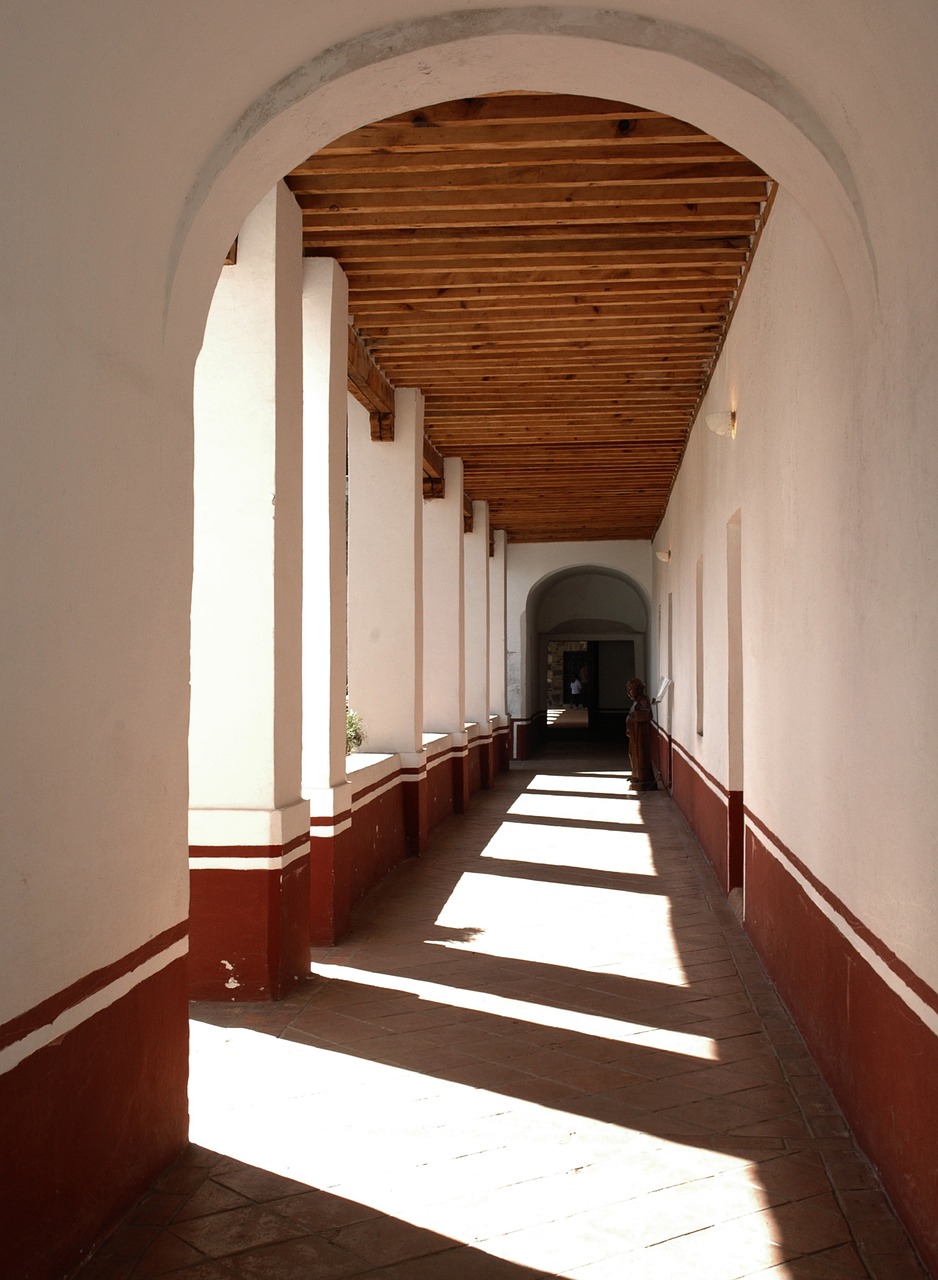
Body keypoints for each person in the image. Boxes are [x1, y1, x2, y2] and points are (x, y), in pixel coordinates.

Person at [626, 677, 657, 790]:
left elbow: (648, 715)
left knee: (641, 755)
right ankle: (636, 774)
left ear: (638, 690)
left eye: (631, 689)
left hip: (641, 735)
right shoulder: (637, 701)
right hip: (634, 734)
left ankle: (644, 778)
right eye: (628, 690)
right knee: (632, 754)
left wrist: (634, 716)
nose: (629, 692)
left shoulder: (644, 700)